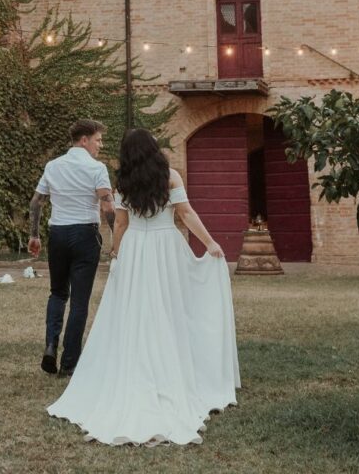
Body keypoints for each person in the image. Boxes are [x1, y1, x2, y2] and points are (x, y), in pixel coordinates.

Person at [46, 127, 240, 447]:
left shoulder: (123, 182)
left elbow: (120, 224)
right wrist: (210, 243)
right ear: (152, 148)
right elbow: (185, 214)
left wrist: (117, 252)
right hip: (166, 248)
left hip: (136, 247)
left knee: (135, 308)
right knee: (170, 305)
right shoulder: (170, 177)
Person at [28, 118, 115, 377]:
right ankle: (68, 363)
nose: (100, 145)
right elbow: (108, 206)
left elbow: (36, 203)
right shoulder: (97, 168)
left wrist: (34, 235)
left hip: (58, 234)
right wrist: (114, 237)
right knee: (79, 301)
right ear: (84, 140)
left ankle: (51, 345)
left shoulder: (53, 166)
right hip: (85, 235)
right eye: (98, 140)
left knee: (57, 293)